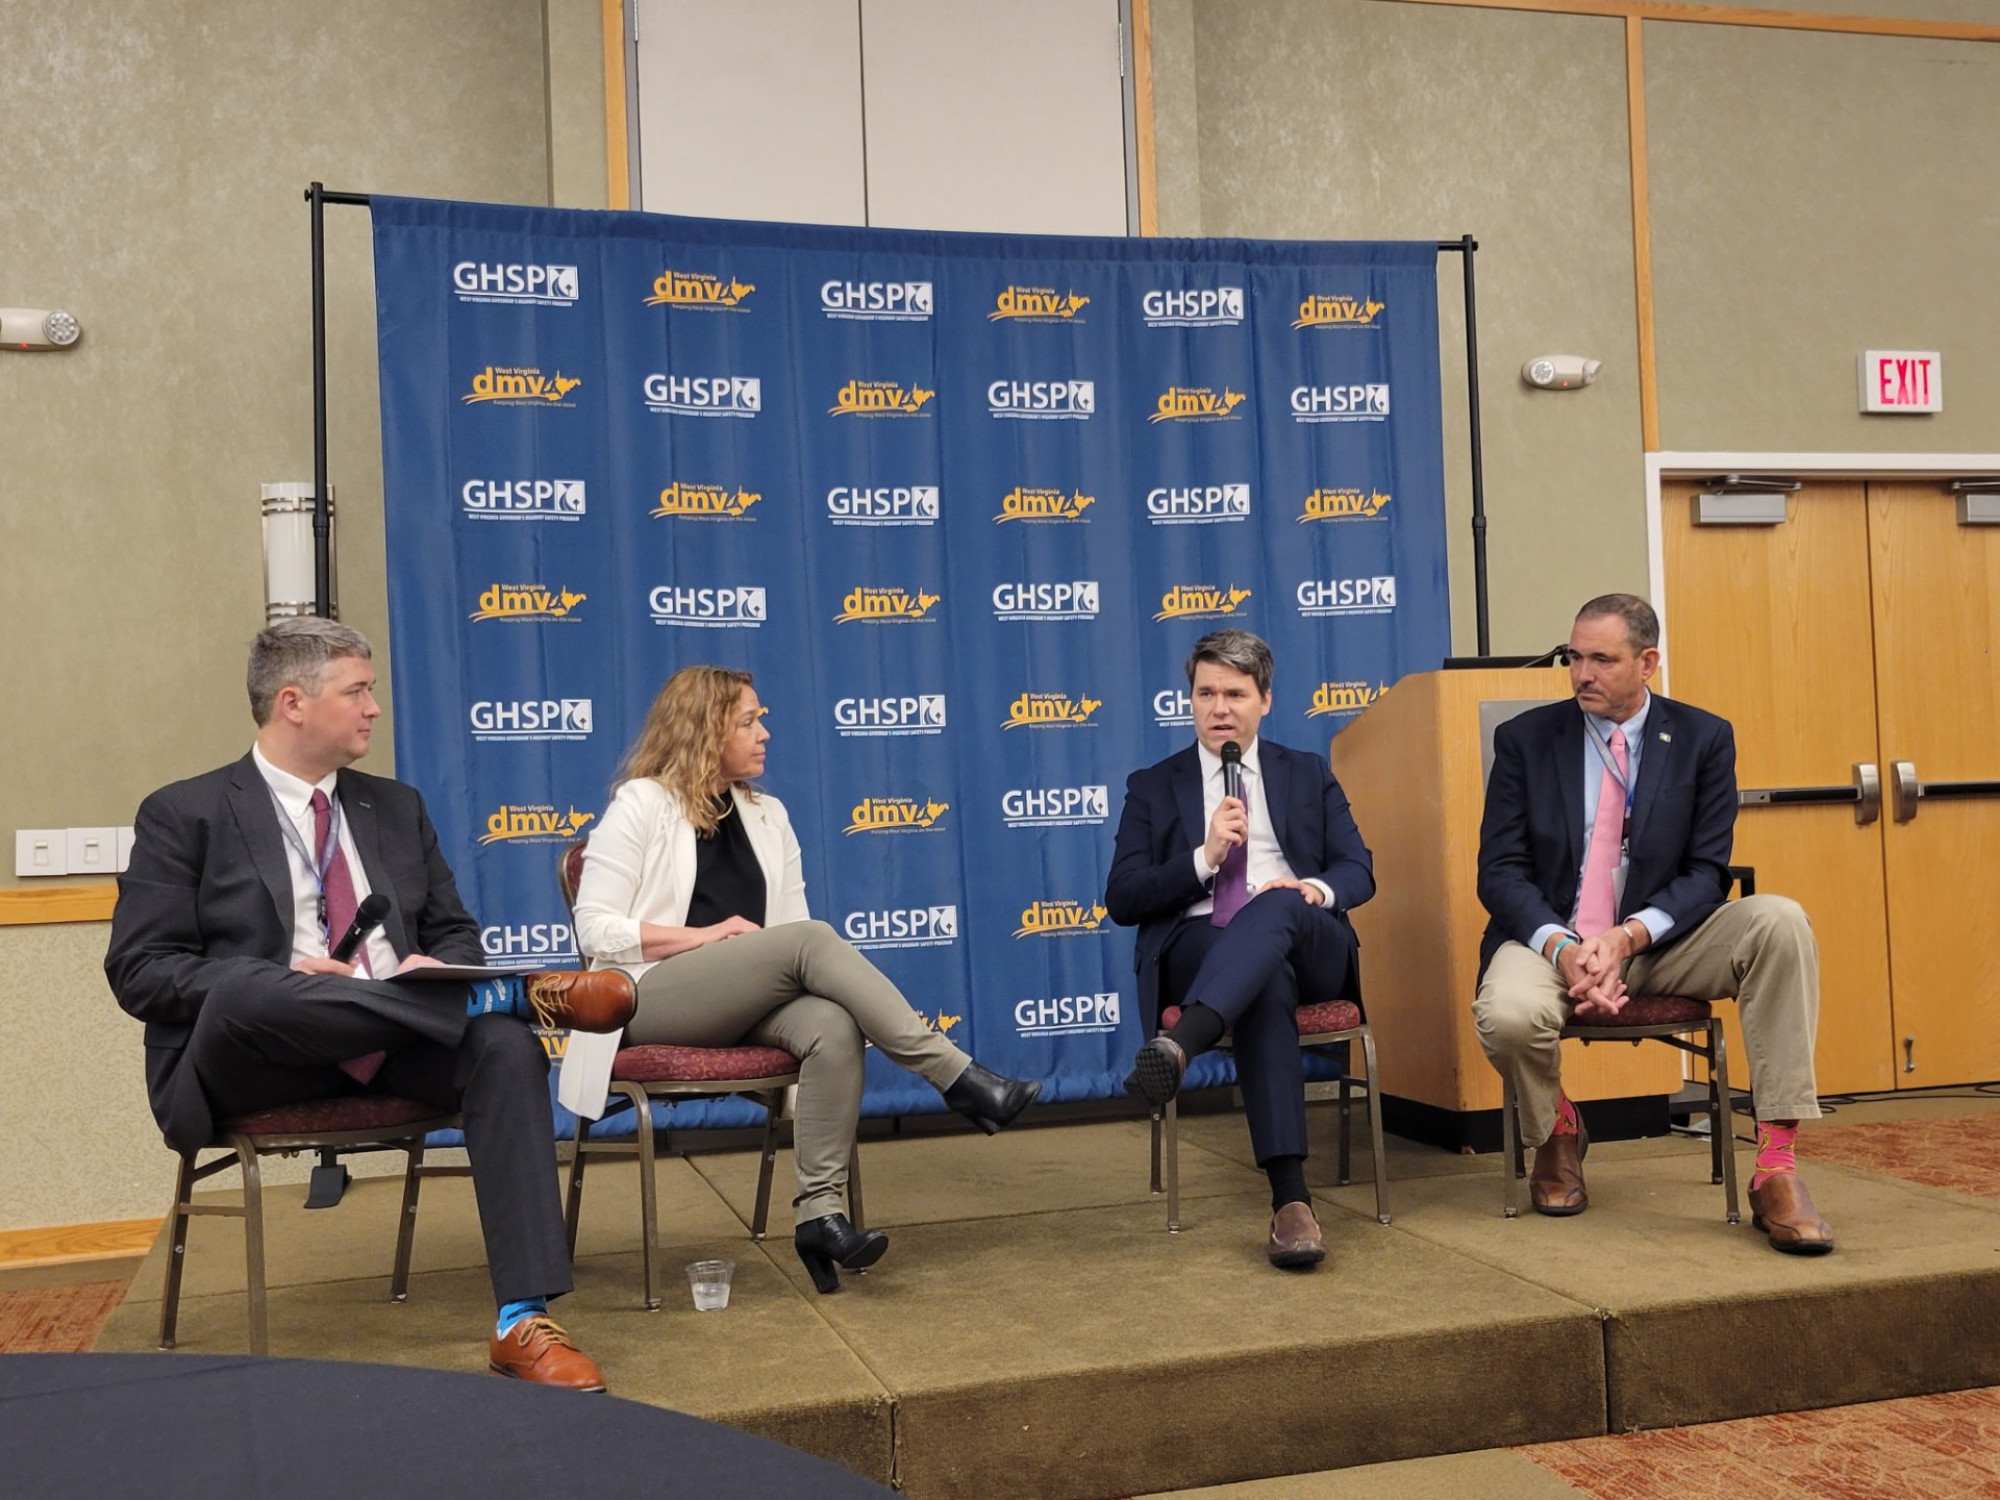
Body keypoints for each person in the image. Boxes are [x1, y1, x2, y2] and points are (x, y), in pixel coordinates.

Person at [106, 618, 637, 1388]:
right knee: (251, 984)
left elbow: (454, 932)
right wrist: (296, 976)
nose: (373, 710)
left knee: (503, 1047)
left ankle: (523, 1320)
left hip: (393, 1046)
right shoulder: (184, 813)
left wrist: (434, 968)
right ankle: (516, 998)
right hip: (256, 1056)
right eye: (358, 691)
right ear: (293, 702)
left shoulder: (395, 807)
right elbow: (141, 972)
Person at [567, 665, 1041, 1293]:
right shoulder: (641, 802)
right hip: (642, 998)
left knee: (832, 1023)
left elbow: (787, 940)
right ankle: (955, 1075)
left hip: (739, 1002)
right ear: (706, 731)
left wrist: (754, 952)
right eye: (749, 720)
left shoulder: (769, 815)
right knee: (813, 939)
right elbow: (594, 927)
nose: (766, 732)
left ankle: (820, 1216)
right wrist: (703, 938)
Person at [1472, 593, 1833, 1253]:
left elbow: (1705, 871)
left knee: (1780, 921)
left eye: (1602, 660)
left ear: (1648, 663)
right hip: (1553, 936)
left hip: (1661, 939)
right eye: (1574, 657)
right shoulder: (1525, 740)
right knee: (1508, 1014)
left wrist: (1625, 937)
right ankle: (1557, 1128)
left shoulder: (1702, 737)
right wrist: (1564, 948)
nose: (1582, 674)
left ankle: (1776, 1165)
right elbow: (1499, 872)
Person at [1106, 629, 1375, 1269]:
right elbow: (1123, 898)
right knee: (1264, 982)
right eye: (1205, 693)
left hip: (1309, 938)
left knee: (1276, 907)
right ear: (1189, 699)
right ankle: (1291, 1201)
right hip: (1202, 945)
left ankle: (1182, 1046)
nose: (1218, 708)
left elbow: (1358, 871)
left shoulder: (1306, 772)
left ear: (1265, 701)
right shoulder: (1153, 785)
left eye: (1234, 693)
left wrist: (1309, 888)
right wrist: (1203, 857)